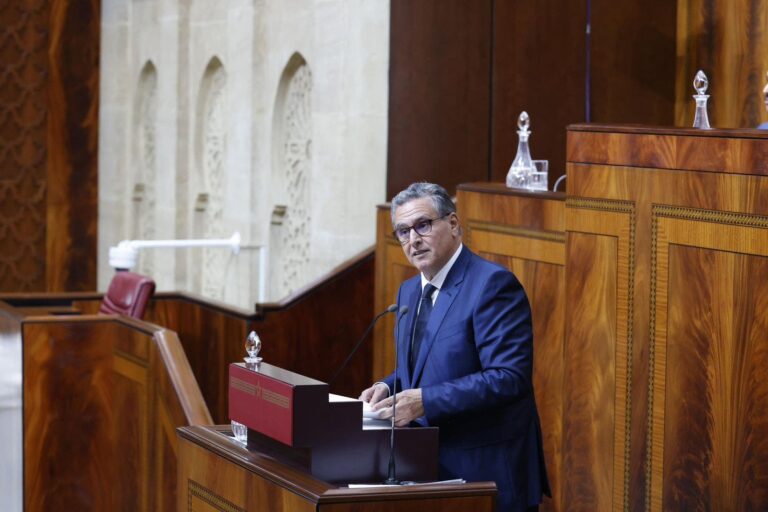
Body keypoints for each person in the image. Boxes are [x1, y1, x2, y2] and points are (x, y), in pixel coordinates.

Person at [360, 182, 549, 511]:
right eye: (403, 231)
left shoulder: (492, 284)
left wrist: (425, 401)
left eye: (423, 225)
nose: (413, 240)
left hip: (486, 472)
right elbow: (425, 367)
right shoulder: (408, 291)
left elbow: (508, 377)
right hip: (426, 468)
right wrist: (388, 386)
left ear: (453, 224)